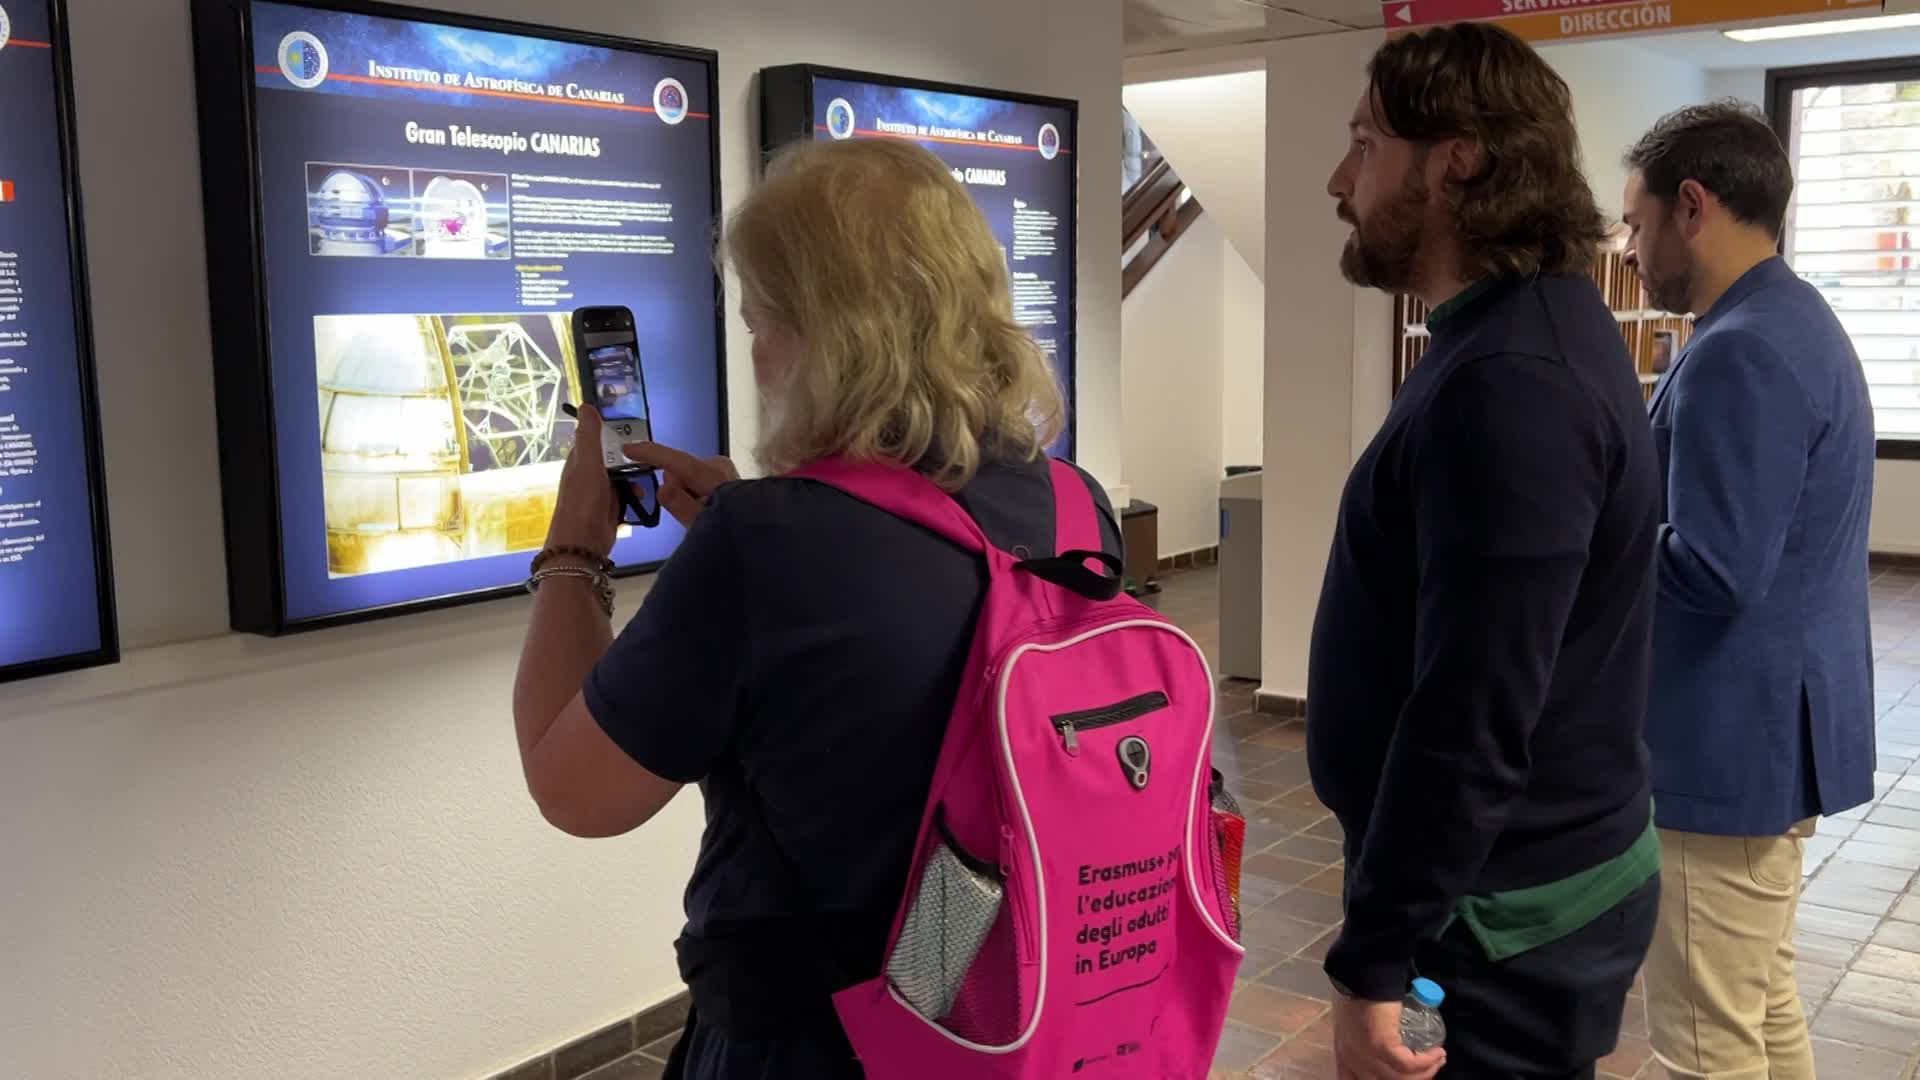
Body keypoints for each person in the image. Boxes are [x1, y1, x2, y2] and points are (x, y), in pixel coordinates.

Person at [507, 137, 1120, 1079]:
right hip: (1002, 1000)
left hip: (817, 1044)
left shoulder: (765, 547)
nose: (757, 357)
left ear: (826, 340)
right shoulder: (1078, 508)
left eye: (761, 323)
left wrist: (574, 552)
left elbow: (574, 791)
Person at [1307, 23, 1663, 1079]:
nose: (1340, 180)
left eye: (1365, 143)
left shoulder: (1513, 384)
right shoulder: (1518, 330)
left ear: (1455, 157)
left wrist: (1378, 960)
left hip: (1491, 928)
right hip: (1490, 898)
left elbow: (1474, 707)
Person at [1621, 101, 1876, 1080]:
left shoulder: (1740, 348)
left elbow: (1717, 568)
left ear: (1692, 206)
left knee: (1705, 1046)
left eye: (1636, 224)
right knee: (1760, 1009)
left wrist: (1592, 527)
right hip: (1765, 737)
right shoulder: (1790, 319)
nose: (1630, 251)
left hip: (1721, 748)